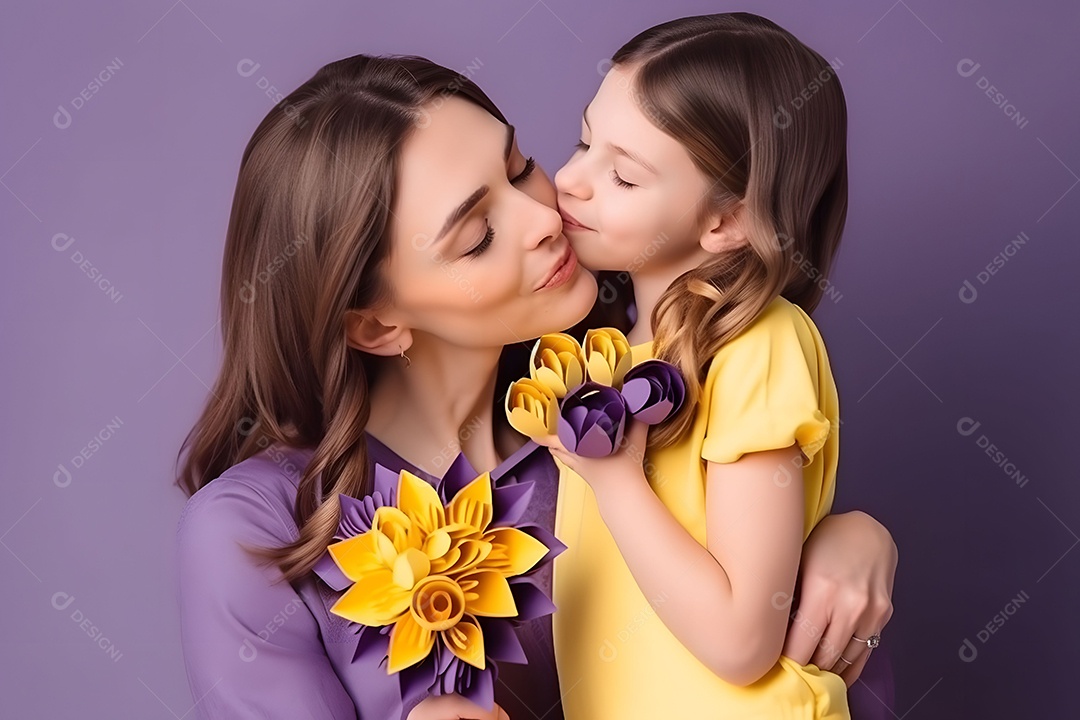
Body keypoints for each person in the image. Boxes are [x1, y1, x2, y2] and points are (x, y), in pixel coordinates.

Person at [175, 51, 897, 720]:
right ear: (374, 325)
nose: (546, 218)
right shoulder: (256, 534)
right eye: (477, 236)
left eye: (520, 168)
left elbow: (782, 678)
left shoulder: (639, 393)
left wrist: (836, 536)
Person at [546, 13, 880, 719]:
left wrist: (614, 482)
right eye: (582, 141)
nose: (568, 182)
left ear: (727, 221)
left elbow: (741, 640)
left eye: (624, 177)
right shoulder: (602, 349)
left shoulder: (758, 343)